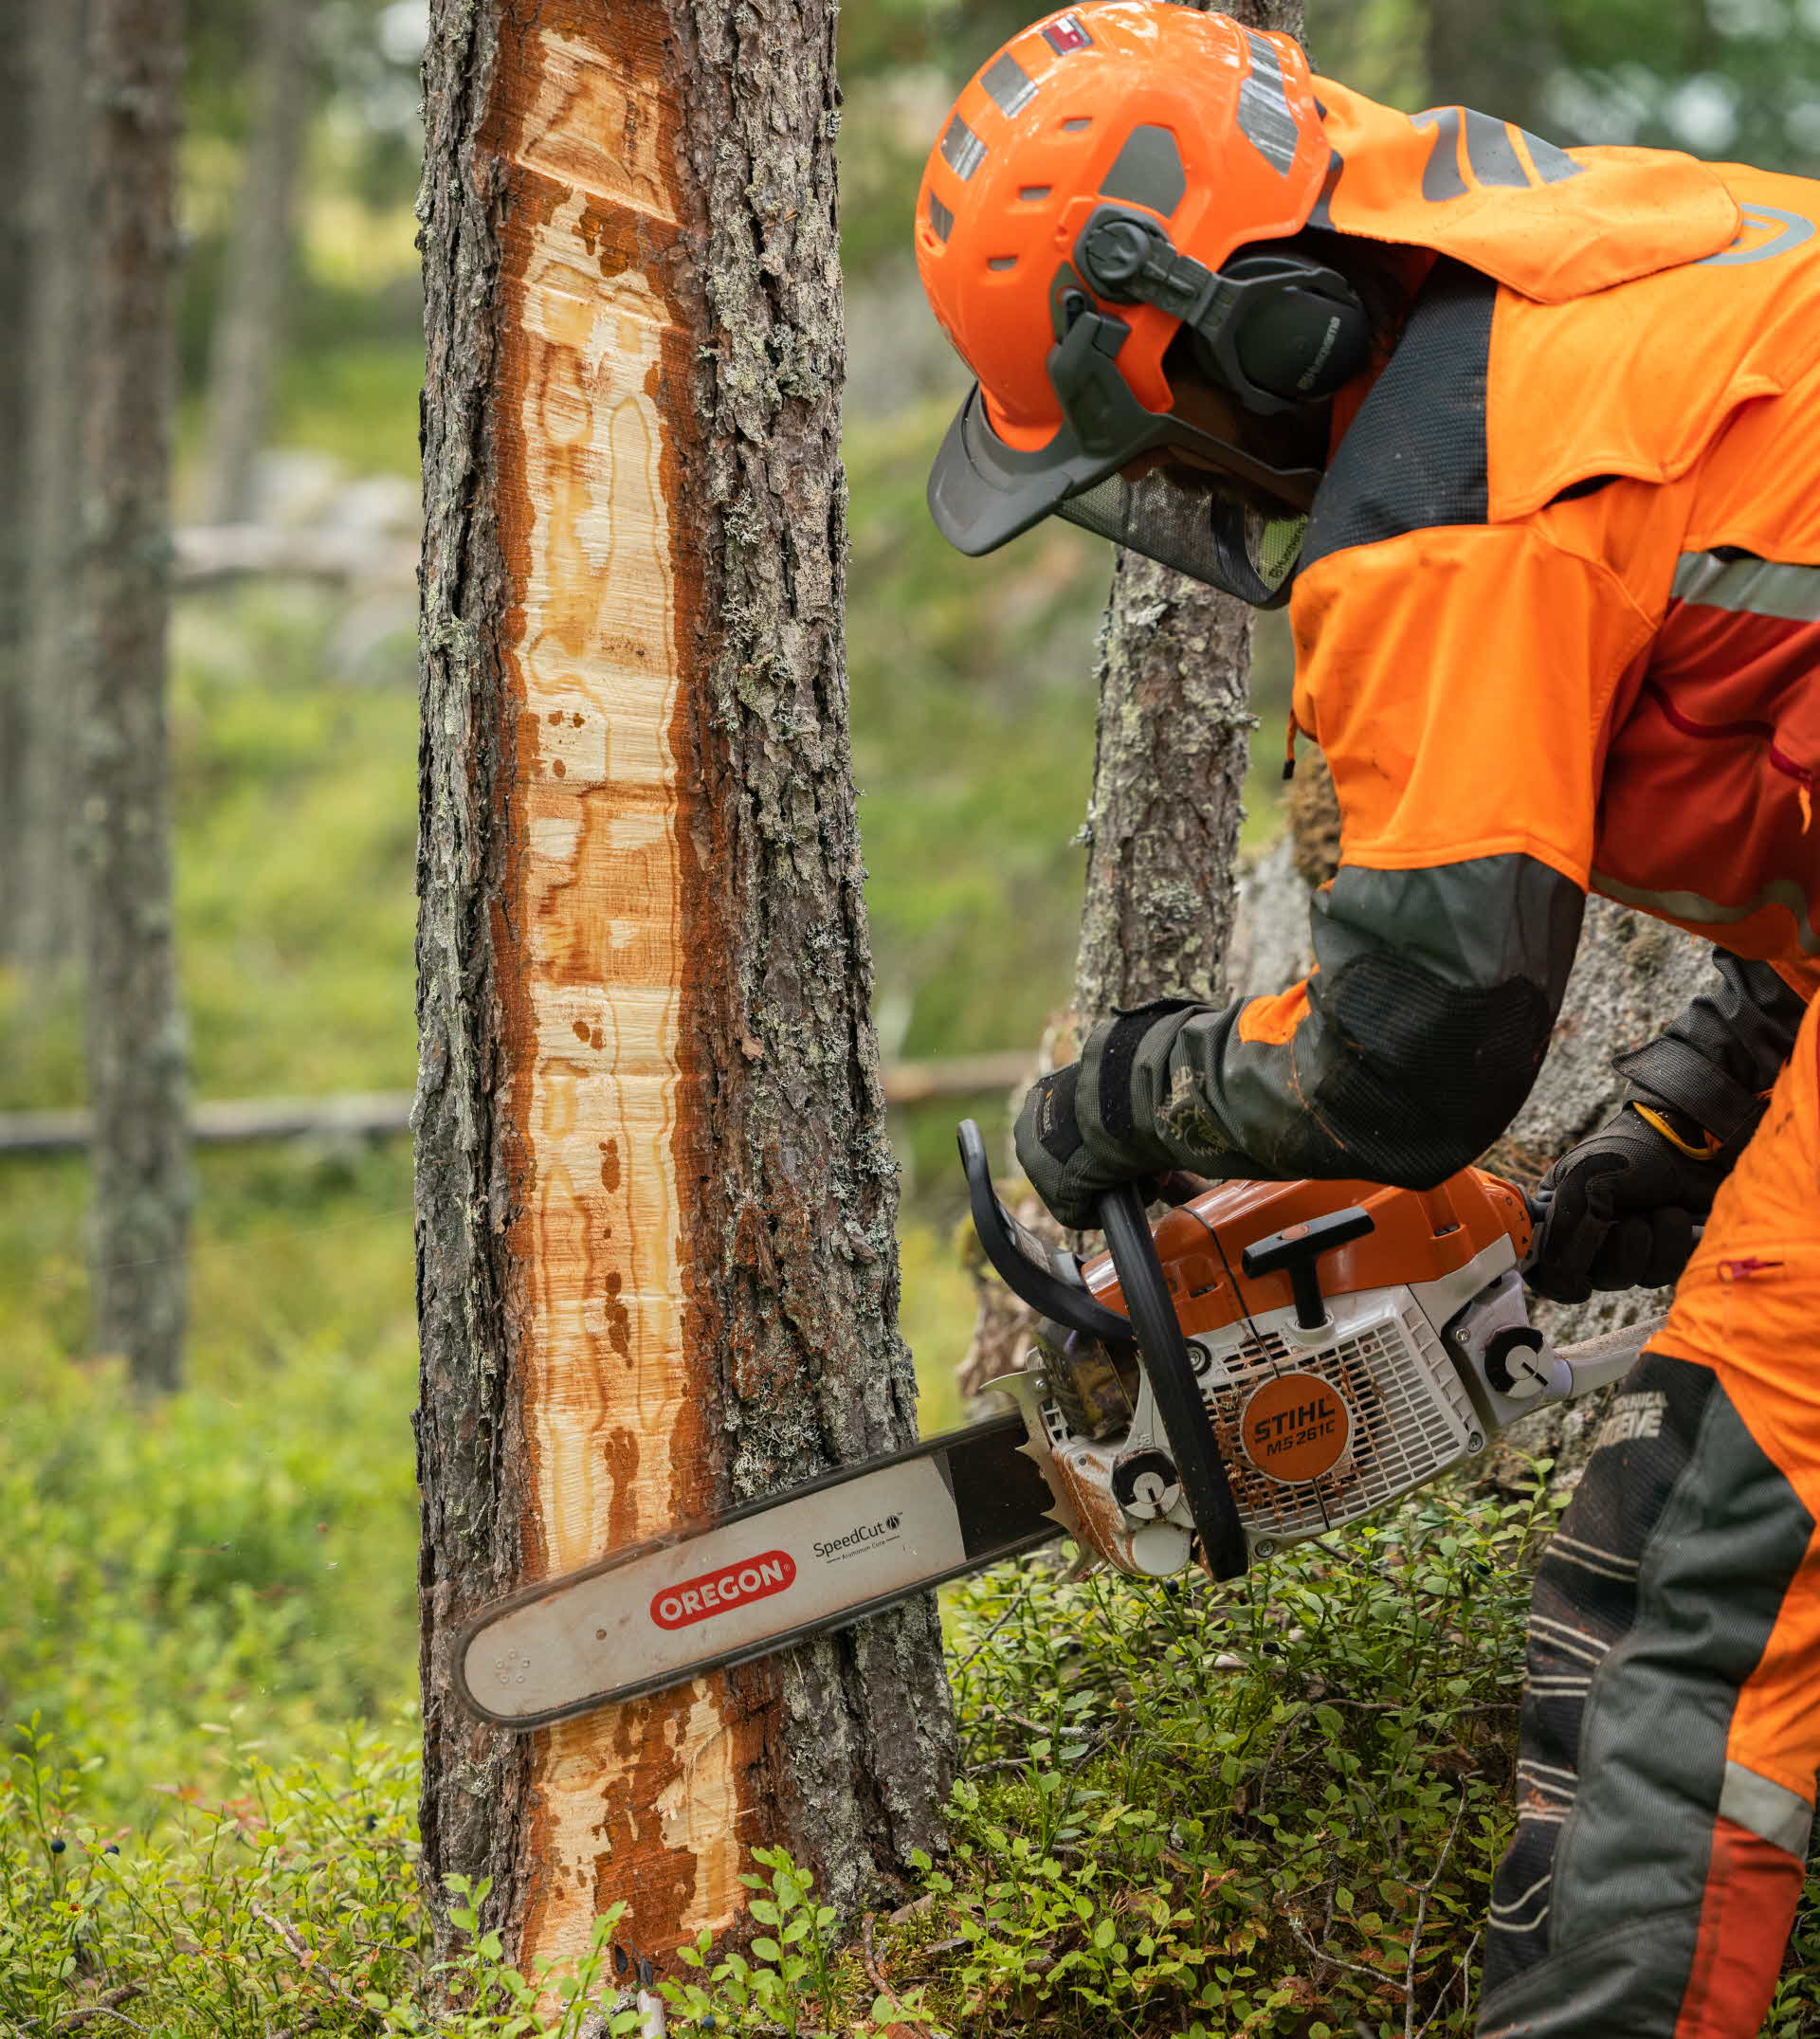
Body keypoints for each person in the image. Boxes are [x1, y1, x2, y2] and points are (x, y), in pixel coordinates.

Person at [914, 8, 1820, 2035]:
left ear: (1258, 334)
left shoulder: (1444, 505)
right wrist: (1663, 1141)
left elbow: (1411, 1052)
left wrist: (1141, 1095)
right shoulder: (1609, 247)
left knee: (1689, 1581)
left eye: (1166, 429)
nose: (1191, 480)